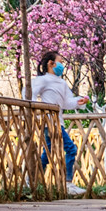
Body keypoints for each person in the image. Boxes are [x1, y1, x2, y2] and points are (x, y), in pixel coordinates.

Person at [31, 51, 84, 196]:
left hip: (58, 122)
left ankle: (32, 180)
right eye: (59, 61)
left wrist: (78, 102)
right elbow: (29, 94)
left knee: (47, 153)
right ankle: (68, 184)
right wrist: (37, 110)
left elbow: (67, 102)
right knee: (71, 149)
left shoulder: (61, 82)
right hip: (50, 122)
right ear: (51, 63)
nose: (62, 65)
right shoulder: (43, 80)